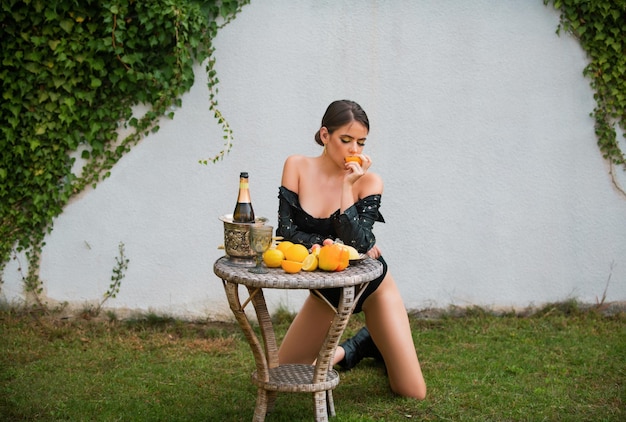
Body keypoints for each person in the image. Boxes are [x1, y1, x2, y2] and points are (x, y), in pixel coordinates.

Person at [276, 99, 426, 399]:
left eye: (360, 142)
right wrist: (323, 245)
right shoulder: (296, 166)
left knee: (411, 391)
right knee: (282, 374)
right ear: (324, 135)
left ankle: (363, 342)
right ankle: (356, 347)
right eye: (346, 140)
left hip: (373, 287)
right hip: (328, 291)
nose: (354, 150)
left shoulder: (369, 181)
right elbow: (286, 232)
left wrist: (347, 187)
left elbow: (360, 243)